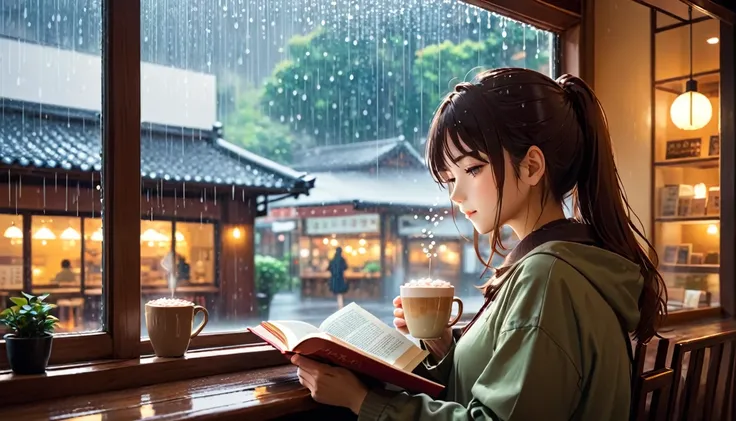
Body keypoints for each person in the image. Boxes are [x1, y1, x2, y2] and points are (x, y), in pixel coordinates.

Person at [290, 68, 667, 420]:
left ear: (532, 166)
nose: (456, 193)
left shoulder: (547, 276)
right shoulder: (567, 262)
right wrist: (440, 344)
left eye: (472, 169)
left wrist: (363, 400)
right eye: (449, 176)